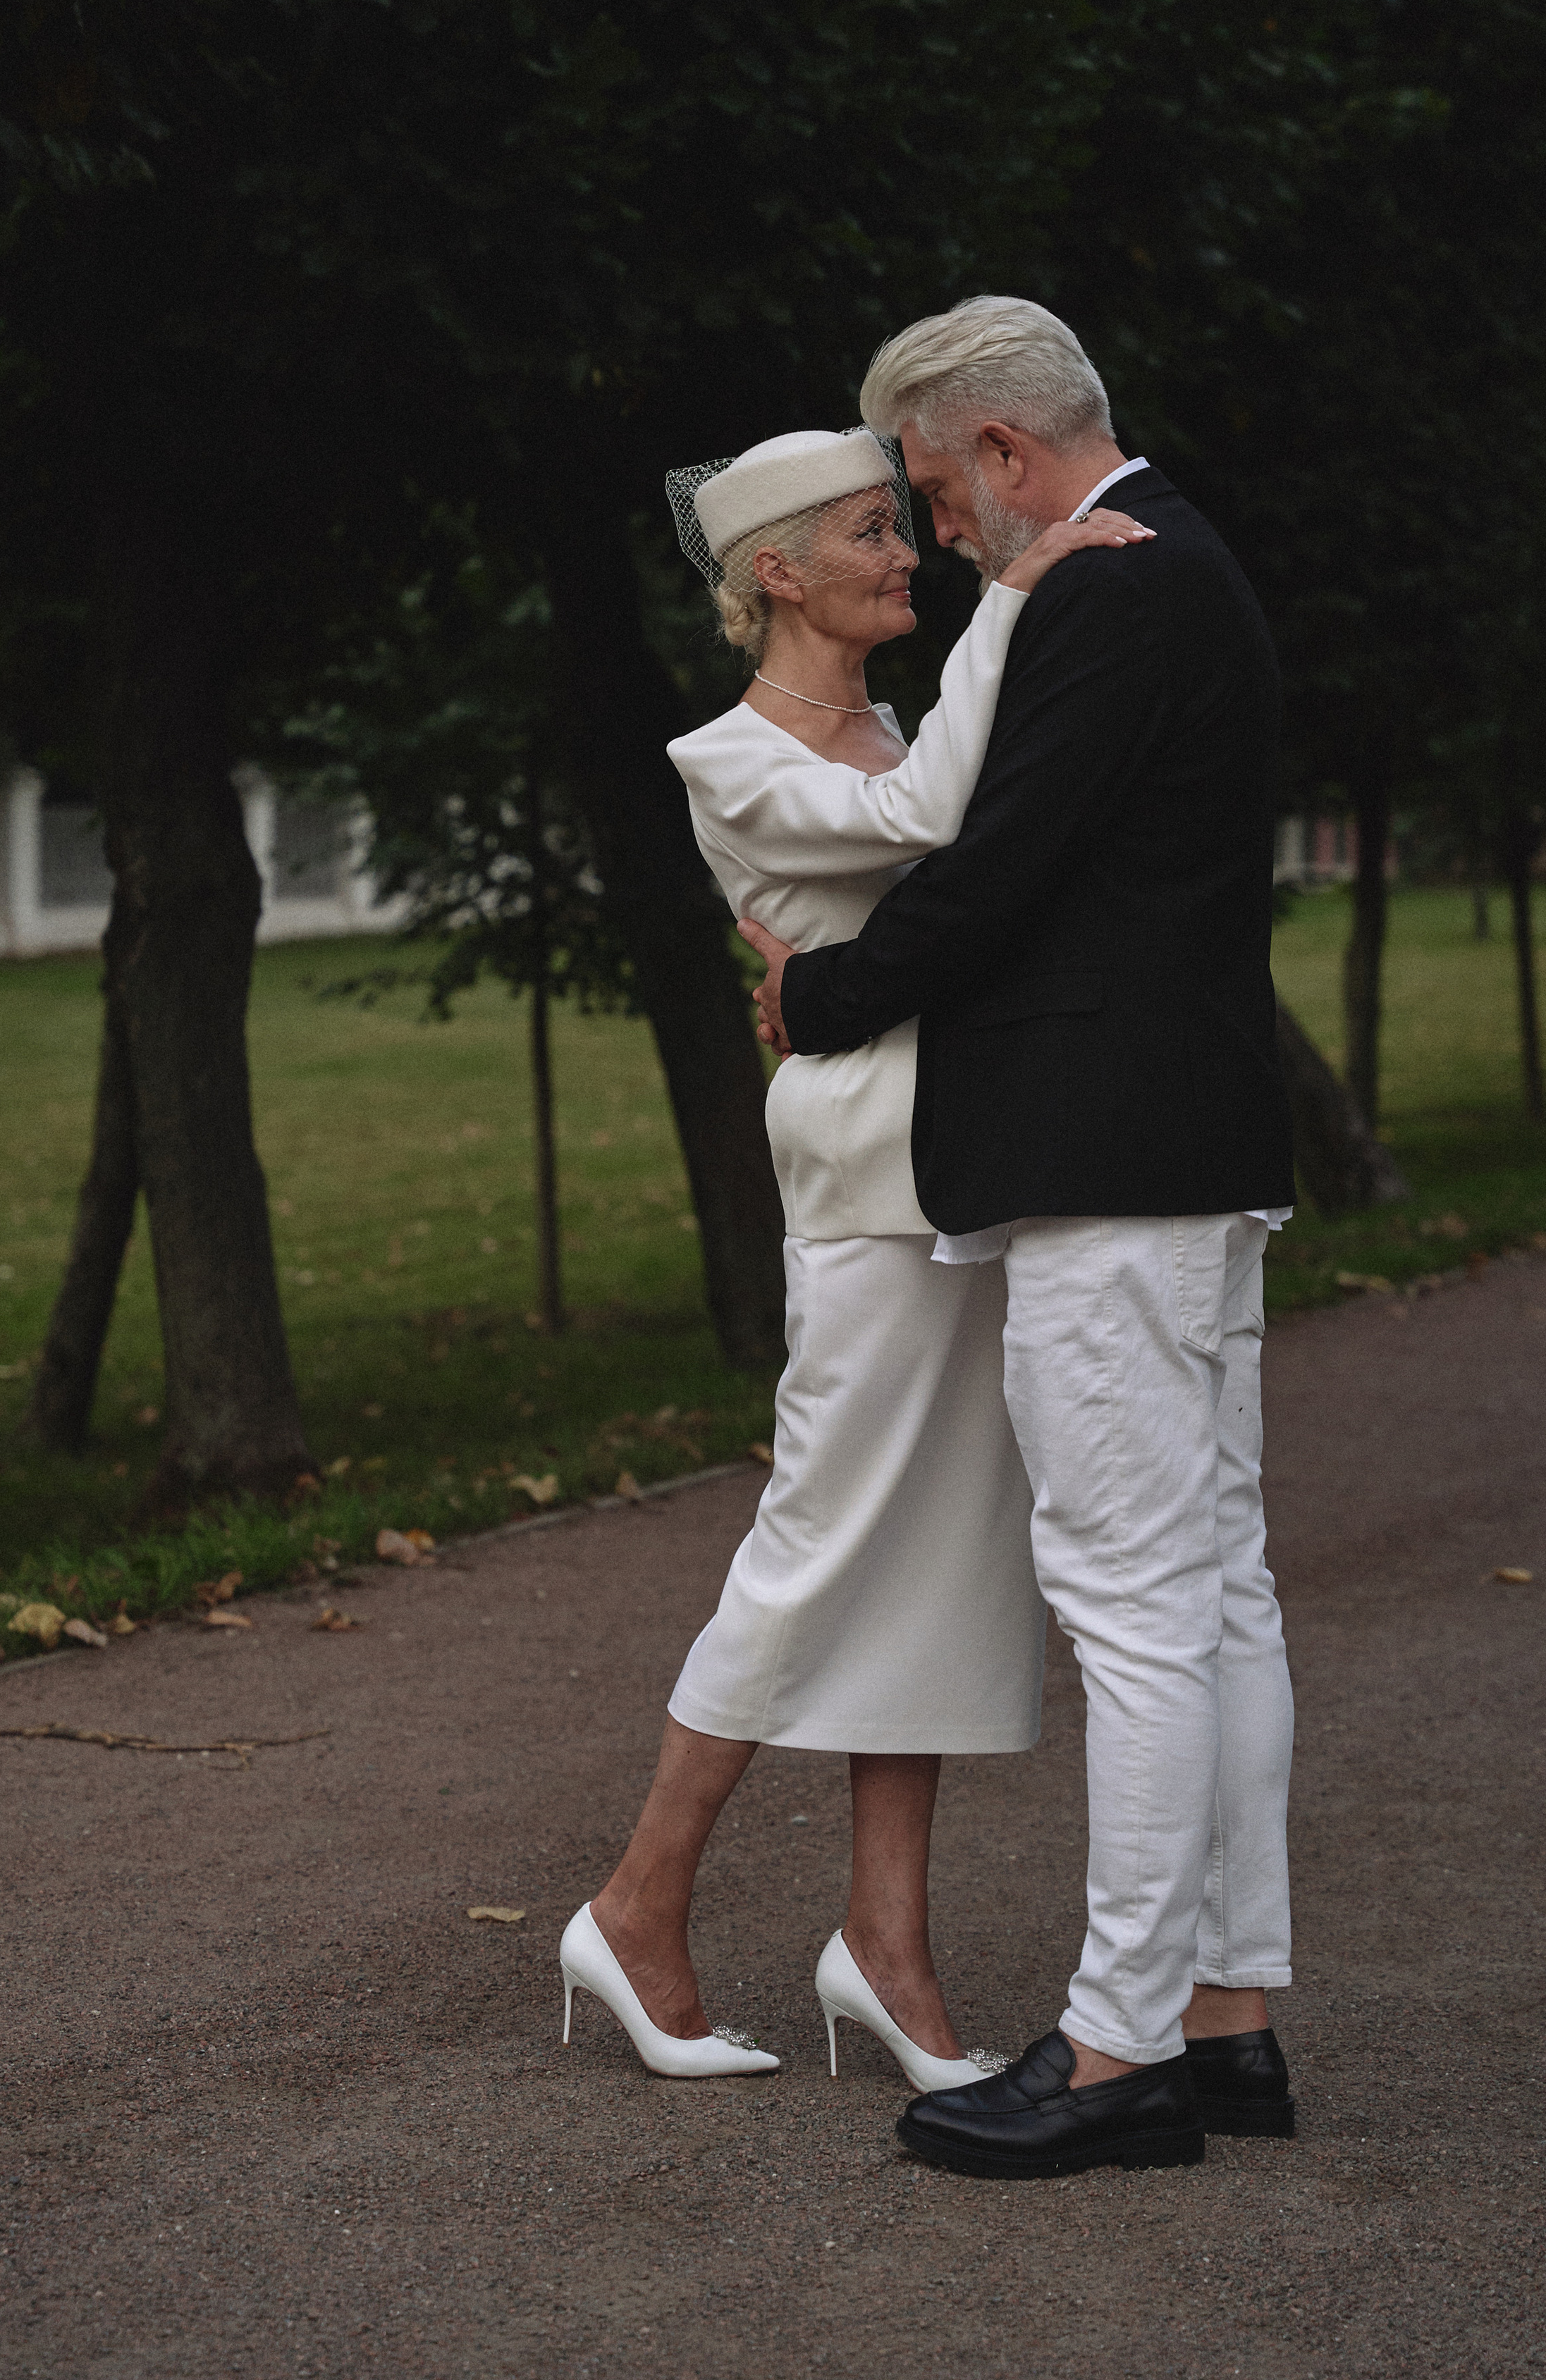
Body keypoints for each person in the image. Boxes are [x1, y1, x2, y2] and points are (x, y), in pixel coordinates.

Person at [741, 298, 1299, 2179]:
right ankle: (1226, 2015)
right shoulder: (1180, 563)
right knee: (1214, 1588)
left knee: (1141, 1605)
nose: (938, 524)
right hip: (1183, 1132)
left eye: (930, 486)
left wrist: (825, 994)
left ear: (998, 450)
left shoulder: (1111, 585)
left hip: (1109, 1152)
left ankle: (1121, 2048)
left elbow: (997, 869)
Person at [558, 424, 1155, 2085]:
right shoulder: (726, 755)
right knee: (821, 1534)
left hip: (966, 1158)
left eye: (908, 530)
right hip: (868, 1181)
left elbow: (957, 868)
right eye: (871, 532)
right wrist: (1020, 592)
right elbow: (931, 816)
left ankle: (884, 1943)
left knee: (950, 1549)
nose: (912, 552)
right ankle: (634, 1898)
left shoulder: (888, 716)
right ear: (778, 570)